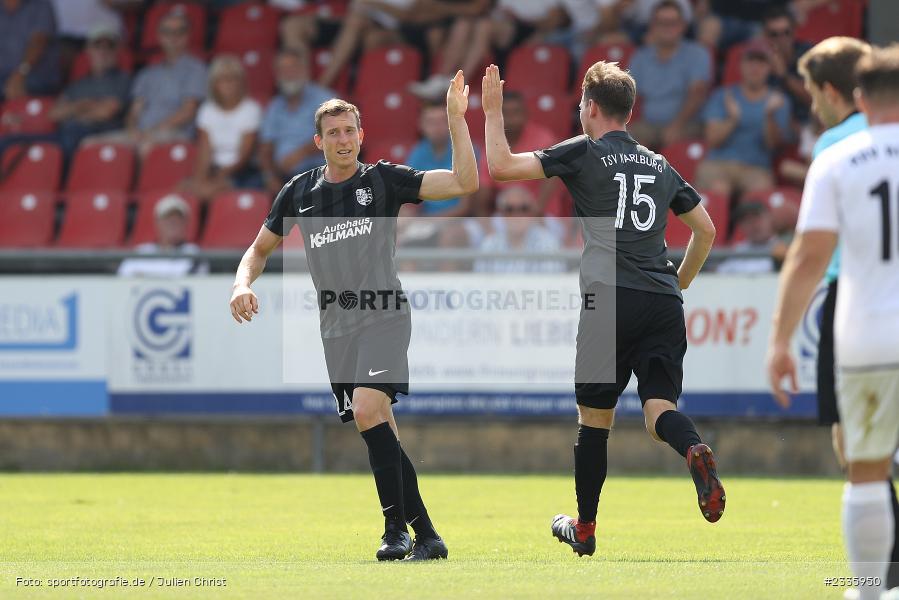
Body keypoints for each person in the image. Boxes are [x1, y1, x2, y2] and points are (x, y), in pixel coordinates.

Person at [229, 72, 478, 561]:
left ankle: (394, 532)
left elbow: (465, 182)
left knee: (368, 410)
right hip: (336, 326)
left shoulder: (383, 179)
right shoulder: (299, 192)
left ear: (361, 136)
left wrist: (455, 119)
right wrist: (241, 283)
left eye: (351, 131)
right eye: (334, 133)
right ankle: (426, 534)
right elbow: (258, 250)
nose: (343, 140)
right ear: (318, 141)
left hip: (384, 314)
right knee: (379, 424)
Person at [481, 60, 722, 558]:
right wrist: (677, 283)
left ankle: (585, 527)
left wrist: (489, 110)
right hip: (661, 301)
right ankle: (693, 448)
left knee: (595, 421)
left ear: (591, 108)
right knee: (660, 411)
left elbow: (502, 167)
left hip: (606, 299)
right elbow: (706, 230)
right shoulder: (659, 163)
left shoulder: (583, 151)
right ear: (629, 112)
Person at [767, 44, 899, 600]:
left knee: (864, 464)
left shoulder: (837, 157)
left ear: (858, 98)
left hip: (865, 325)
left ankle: (872, 590)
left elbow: (808, 255)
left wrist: (779, 341)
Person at [89, 9, 206, 155]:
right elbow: (135, 111)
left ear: (187, 35)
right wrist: (132, 130)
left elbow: (188, 111)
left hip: (175, 134)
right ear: (159, 36)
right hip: (142, 134)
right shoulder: (147, 73)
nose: (173, 37)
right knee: (90, 145)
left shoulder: (196, 69)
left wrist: (153, 131)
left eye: (179, 32)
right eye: (167, 32)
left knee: (145, 148)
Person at [695, 40, 791, 199]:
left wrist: (769, 116)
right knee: (719, 189)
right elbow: (712, 140)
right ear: (741, 65)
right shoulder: (722, 95)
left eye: (761, 62)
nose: (755, 67)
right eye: (750, 61)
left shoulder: (779, 100)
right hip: (719, 164)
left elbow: (773, 145)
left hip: (756, 168)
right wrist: (733, 119)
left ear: (769, 68)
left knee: (758, 196)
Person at [627, 0, 711, 149]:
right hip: (649, 125)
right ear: (653, 26)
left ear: (683, 25)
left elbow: (697, 94)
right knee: (616, 139)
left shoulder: (698, 53)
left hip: (688, 124)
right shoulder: (640, 56)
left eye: (672, 23)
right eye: (661, 22)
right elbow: (627, 95)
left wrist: (677, 125)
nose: (667, 28)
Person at [472, 90, 562, 217]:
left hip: (542, 215)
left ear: (526, 114)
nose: (511, 118)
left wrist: (535, 213)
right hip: (506, 215)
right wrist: (485, 223)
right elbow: (484, 193)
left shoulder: (544, 140)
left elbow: (552, 180)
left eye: (516, 112)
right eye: (506, 113)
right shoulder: (492, 145)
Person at [185, 55, 262, 203]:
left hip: (242, 173)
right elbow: (204, 153)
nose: (227, 84)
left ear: (241, 82)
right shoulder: (206, 110)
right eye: (222, 80)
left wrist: (217, 178)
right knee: (184, 190)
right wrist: (200, 179)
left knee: (210, 192)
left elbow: (244, 156)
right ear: (214, 84)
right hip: (214, 169)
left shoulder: (251, 109)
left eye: (232, 79)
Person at [259, 47, 334, 197]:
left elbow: (335, 135)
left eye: (293, 68)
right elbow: (265, 148)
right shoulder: (275, 106)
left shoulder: (324, 99)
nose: (289, 74)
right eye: (283, 70)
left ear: (304, 70)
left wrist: (300, 154)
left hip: (319, 171)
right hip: (283, 176)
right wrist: (269, 176)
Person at [48, 25, 130, 158]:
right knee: (13, 142)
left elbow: (106, 112)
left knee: (71, 134)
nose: (103, 51)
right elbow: (54, 113)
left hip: (100, 132)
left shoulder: (123, 80)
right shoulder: (78, 84)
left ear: (116, 51)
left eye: (109, 46)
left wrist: (74, 109)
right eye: (97, 46)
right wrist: (86, 105)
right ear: (88, 50)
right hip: (67, 133)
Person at [474, 186, 565, 273]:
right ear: (501, 214)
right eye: (510, 209)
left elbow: (551, 283)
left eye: (523, 209)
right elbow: (481, 282)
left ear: (532, 212)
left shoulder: (548, 243)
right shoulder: (489, 244)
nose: (516, 215)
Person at [405, 101, 474, 217]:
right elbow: (409, 200)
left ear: (451, 123)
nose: (437, 127)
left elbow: (465, 207)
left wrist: (430, 223)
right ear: (421, 125)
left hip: (459, 221)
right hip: (426, 220)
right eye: (431, 122)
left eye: (442, 121)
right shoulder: (417, 153)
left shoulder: (466, 150)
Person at [117, 194, 209, 277]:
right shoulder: (140, 253)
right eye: (168, 219)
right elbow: (121, 281)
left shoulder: (194, 254)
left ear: (186, 224)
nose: (173, 223)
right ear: (157, 223)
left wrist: (144, 276)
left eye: (178, 219)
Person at [760, 6, 812, 125]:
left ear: (794, 32)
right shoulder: (757, 57)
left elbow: (815, 100)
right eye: (774, 34)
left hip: (806, 124)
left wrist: (784, 75)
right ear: (765, 35)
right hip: (769, 126)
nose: (781, 39)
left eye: (786, 32)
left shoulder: (808, 54)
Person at [0, 0, 60, 101]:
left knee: (17, 88)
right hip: (4, 76)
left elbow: (38, 42)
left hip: (35, 78)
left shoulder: (40, 5)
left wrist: (21, 72)